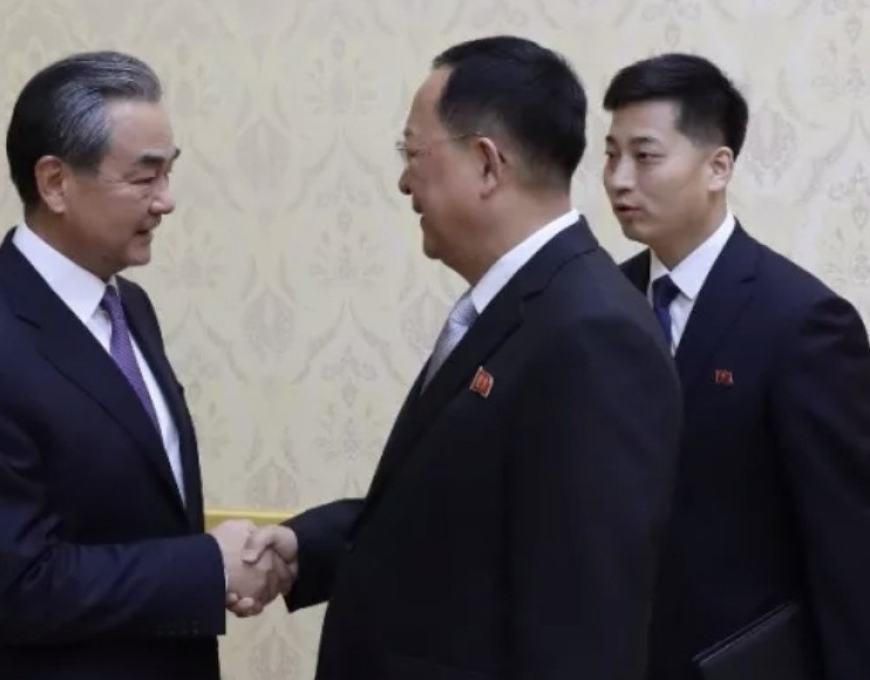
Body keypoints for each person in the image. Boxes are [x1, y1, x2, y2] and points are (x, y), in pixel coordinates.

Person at [239, 35, 683, 680]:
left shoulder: (591, 335)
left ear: (486, 163)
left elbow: (585, 629)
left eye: (413, 153)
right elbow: (454, 521)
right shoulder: (524, 308)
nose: (402, 179)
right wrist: (308, 547)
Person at [0, 51, 288, 680]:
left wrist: (216, 569)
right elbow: (17, 586)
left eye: (169, 173)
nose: (166, 201)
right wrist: (208, 567)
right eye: (144, 178)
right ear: (55, 182)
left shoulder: (130, 307)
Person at [602, 53, 870, 679]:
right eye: (610, 154)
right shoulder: (599, 307)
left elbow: (848, 547)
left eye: (645, 156)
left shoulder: (802, 322)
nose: (618, 179)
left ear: (717, 166)